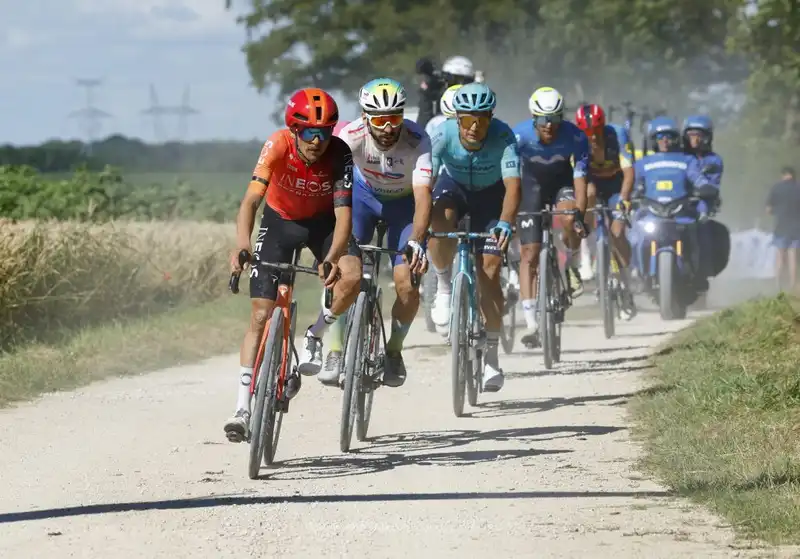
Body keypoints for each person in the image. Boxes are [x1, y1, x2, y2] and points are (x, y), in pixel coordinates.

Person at [224, 88, 363, 443]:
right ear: (293, 129)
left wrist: (331, 258)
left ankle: (316, 332)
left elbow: (344, 215)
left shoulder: (339, 153)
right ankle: (242, 408)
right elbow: (251, 201)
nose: (317, 140)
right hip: (279, 221)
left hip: (323, 224)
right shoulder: (277, 145)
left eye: (325, 132)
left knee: (352, 277)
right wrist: (242, 243)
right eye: (309, 132)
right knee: (260, 314)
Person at [317, 78, 433, 388]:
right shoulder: (350, 136)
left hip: (403, 207)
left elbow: (423, 197)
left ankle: (393, 351)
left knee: (407, 284)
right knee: (346, 275)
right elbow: (332, 188)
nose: (387, 127)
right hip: (361, 202)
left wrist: (417, 241)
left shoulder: (418, 139)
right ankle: (336, 349)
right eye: (379, 119)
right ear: (366, 117)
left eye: (394, 118)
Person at [428, 82, 521, 392]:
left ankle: (492, 356)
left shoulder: (504, 136)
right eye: (468, 119)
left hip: (491, 198)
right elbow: (425, 181)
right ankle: (443, 283)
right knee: (441, 218)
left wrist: (506, 222)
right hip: (453, 189)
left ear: (491, 118)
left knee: (491, 272)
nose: (475, 127)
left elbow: (513, 186)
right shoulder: (442, 134)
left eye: (482, 119)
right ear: (457, 119)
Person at [511, 87, 589, 347]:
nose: (549, 126)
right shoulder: (518, 136)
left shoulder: (575, 136)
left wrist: (579, 214)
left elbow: (580, 179)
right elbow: (508, 176)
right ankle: (532, 322)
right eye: (543, 120)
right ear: (534, 118)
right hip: (530, 185)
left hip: (561, 183)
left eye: (555, 119)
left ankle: (573, 264)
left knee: (569, 218)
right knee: (529, 254)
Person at [632, 117, 713, 287]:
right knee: (635, 237)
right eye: (660, 137)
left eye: (669, 137)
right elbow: (634, 184)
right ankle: (639, 273)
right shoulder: (642, 164)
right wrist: (632, 194)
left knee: (696, 234)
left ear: (676, 139)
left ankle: (696, 274)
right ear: (653, 140)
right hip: (651, 212)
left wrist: (704, 187)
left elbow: (697, 178)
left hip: (680, 212)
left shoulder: (687, 160)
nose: (665, 141)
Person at [574, 103, 637, 320]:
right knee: (588, 194)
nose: (592, 137)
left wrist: (623, 200)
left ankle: (626, 282)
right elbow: (579, 178)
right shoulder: (578, 142)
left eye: (596, 132)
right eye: (587, 133)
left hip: (616, 186)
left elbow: (629, 173)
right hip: (593, 185)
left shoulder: (617, 135)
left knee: (618, 232)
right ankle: (586, 252)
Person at [682, 115, 729, 283]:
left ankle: (701, 274)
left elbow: (711, 186)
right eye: (690, 135)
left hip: (702, 203)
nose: (694, 139)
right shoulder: (679, 156)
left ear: (707, 137)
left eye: (698, 135)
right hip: (677, 202)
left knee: (704, 233)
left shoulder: (714, 160)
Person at [415, 55, 477, 129]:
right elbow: (423, 126)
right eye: (452, 81)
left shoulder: (475, 99)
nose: (458, 86)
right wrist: (426, 95)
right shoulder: (438, 96)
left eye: (463, 81)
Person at [766, 166, 800, 292]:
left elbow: (768, 210)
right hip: (797, 228)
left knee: (780, 256)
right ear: (793, 175)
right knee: (793, 256)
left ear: (783, 175)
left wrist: (778, 212)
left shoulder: (776, 188)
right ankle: (793, 285)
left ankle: (778, 285)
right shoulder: (798, 187)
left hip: (781, 227)